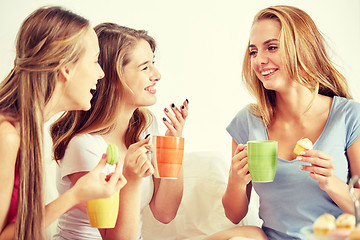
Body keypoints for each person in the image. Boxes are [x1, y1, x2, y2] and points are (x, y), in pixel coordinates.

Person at [206, 5, 360, 240]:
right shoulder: (248, 121)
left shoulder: (348, 116)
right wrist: (236, 181)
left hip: (334, 236)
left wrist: (332, 183)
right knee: (241, 235)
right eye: (253, 52)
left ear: (303, 49)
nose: (259, 60)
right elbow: (234, 214)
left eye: (272, 47)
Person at [50, 23, 188, 239]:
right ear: (114, 77)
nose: (157, 74)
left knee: (246, 233)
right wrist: (130, 178)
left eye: (153, 63)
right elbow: (112, 235)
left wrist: (172, 146)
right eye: (145, 67)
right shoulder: (83, 145)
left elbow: (165, 213)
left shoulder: (145, 127)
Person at [0, 7, 127, 240]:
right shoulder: (6, 135)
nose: (101, 74)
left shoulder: (28, 128)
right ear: (66, 68)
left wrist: (78, 195)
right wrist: (74, 196)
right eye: (95, 61)